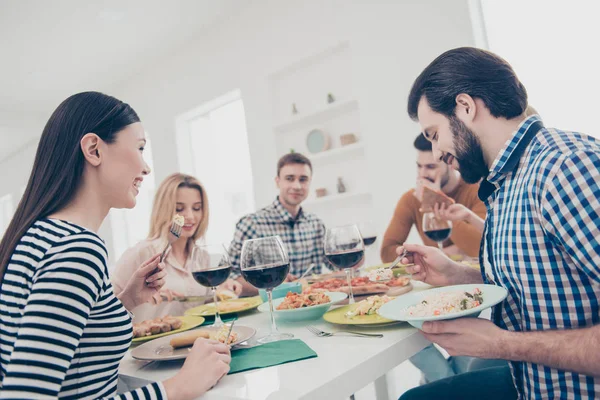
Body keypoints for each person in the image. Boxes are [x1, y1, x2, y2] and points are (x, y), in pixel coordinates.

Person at [399, 47, 600, 399]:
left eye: (433, 134)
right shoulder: (506, 181)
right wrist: (459, 275)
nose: (435, 154)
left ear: (465, 106)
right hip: (531, 383)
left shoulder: (564, 168)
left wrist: (503, 344)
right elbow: (547, 276)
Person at [0, 92, 230, 399]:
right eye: (139, 148)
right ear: (94, 149)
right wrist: (178, 387)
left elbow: (75, 356)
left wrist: (127, 299)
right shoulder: (76, 250)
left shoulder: (41, 236)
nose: (147, 168)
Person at [112, 173, 242, 321]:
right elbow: (106, 308)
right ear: (164, 210)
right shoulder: (143, 253)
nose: (190, 216)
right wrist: (138, 298)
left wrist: (221, 292)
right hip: (149, 340)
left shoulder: (200, 257)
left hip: (194, 339)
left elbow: (199, 309)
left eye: (197, 208)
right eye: (179, 209)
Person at [228, 152, 326, 296]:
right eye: (289, 178)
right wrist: (273, 286)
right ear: (277, 181)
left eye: (303, 179)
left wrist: (358, 246)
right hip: (269, 309)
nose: (297, 186)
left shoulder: (316, 224)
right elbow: (231, 277)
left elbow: (336, 266)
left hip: (312, 305)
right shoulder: (252, 224)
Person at [381, 133, 485, 261]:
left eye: (431, 167)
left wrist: (436, 202)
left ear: (450, 164)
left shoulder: (477, 190)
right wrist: (429, 254)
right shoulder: (411, 199)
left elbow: (479, 247)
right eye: (419, 166)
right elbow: (386, 253)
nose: (422, 174)